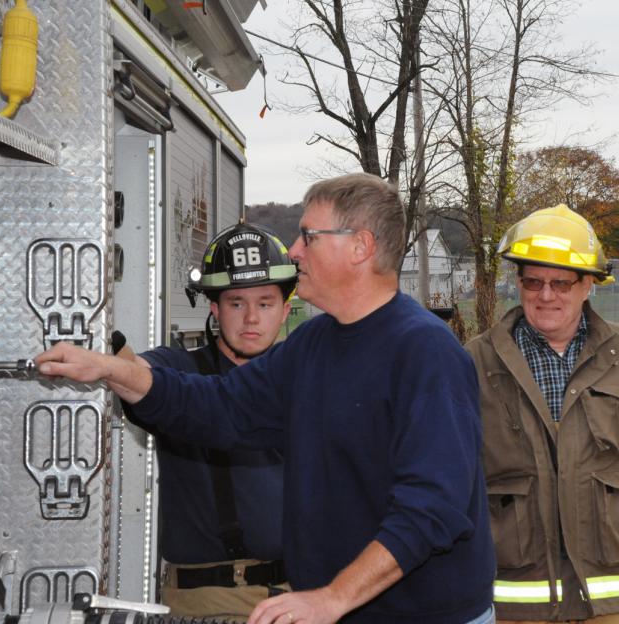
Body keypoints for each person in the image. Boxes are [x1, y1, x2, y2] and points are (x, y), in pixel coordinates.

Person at [35, 172, 496, 624]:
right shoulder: (313, 344)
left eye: (308, 237)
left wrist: (332, 598)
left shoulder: (426, 352)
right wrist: (113, 370)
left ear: (361, 246)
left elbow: (432, 507)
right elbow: (219, 407)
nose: (294, 251)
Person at [465, 204, 619, 624]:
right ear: (519, 284)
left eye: (561, 283)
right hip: (516, 607)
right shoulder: (475, 362)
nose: (547, 296)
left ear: (589, 285)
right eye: (534, 282)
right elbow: (453, 482)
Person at [115, 222, 296, 619]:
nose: (251, 318)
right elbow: (134, 372)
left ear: (285, 310)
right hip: (206, 600)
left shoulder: (304, 375)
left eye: (265, 303)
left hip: (299, 598)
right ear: (215, 309)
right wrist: (109, 349)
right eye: (236, 303)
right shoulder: (181, 369)